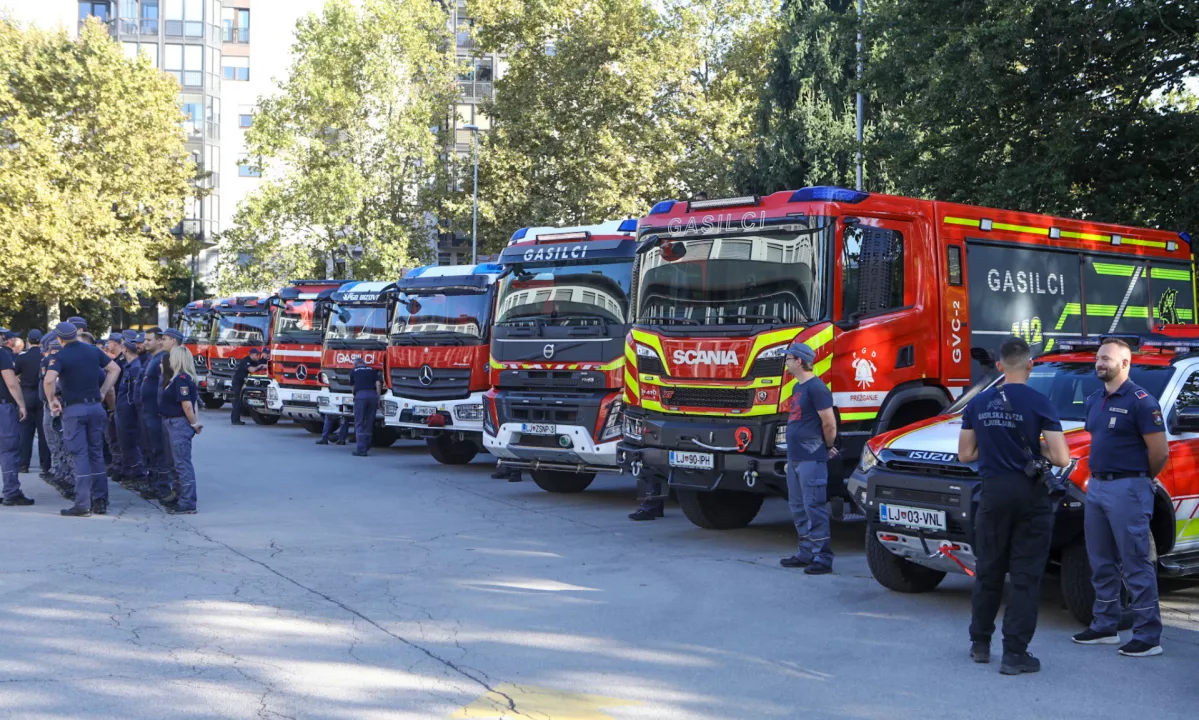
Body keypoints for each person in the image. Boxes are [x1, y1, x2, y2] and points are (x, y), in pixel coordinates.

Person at [958, 337, 1070, 675]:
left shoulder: (977, 404)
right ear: (1031, 365)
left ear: (1000, 366)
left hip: (992, 494)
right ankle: (1015, 653)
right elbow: (1062, 456)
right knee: (1025, 574)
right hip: (1030, 494)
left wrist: (994, 452)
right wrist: (1037, 453)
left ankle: (980, 644)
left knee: (989, 569)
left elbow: (965, 454)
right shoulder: (1039, 402)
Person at [1072, 338, 1169, 658]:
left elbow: (1159, 453)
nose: (1100, 363)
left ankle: (1147, 634)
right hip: (1096, 487)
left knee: (1136, 563)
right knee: (1100, 561)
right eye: (1099, 358)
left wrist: (1137, 480)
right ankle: (1104, 626)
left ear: (1124, 364)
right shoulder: (1094, 399)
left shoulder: (1142, 402)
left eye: (1107, 359)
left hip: (1128, 488)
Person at [43, 322, 120, 517]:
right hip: (95, 407)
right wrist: (102, 391)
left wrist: (52, 400)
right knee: (96, 454)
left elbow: (49, 379)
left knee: (80, 455)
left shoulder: (60, 356)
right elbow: (115, 369)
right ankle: (100, 500)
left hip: (75, 410)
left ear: (60, 339)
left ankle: (82, 504)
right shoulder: (93, 351)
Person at [777, 342, 838, 575]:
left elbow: (829, 423)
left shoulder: (817, 388)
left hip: (811, 458)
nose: (786, 362)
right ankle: (805, 552)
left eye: (789, 358)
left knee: (813, 506)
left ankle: (823, 557)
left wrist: (828, 446)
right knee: (798, 506)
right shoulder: (797, 388)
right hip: (795, 458)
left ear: (799, 361)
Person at [159, 346, 202, 514]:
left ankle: (188, 502)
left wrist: (193, 424)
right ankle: (180, 495)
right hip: (172, 423)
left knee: (182, 464)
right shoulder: (177, 379)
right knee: (176, 463)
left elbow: (187, 405)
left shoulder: (182, 379)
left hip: (179, 424)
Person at [143, 329, 182, 502]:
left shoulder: (167, 360)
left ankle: (165, 488)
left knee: (163, 452)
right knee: (154, 450)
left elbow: (166, 386)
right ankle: (158, 484)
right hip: (150, 411)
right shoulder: (156, 358)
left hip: (158, 413)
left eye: (149, 339)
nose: (145, 343)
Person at [0, 328, 31, 506]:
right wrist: (21, 404)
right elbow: (11, 382)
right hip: (3, 406)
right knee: (9, 450)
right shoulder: (2, 355)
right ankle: (11, 492)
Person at [15, 329, 50, 476]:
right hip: (42, 395)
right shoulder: (44, 357)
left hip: (27, 394)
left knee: (25, 432)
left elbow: (15, 374)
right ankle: (45, 465)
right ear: (41, 341)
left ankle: (23, 464)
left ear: (28, 341)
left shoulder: (22, 358)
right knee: (43, 433)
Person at [116, 338, 148, 490]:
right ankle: (131, 472)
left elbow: (135, 395)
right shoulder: (129, 366)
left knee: (131, 444)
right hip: (123, 411)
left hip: (129, 412)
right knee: (125, 443)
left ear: (125, 349)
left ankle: (139, 475)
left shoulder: (135, 367)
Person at [349, 357, 381, 456]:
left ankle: (361, 449)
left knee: (359, 422)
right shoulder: (372, 370)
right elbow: (378, 384)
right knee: (370, 422)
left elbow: (353, 386)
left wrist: (354, 396)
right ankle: (367, 445)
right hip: (373, 396)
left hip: (361, 396)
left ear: (356, 364)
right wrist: (378, 398)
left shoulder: (354, 371)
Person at [229, 342, 267, 425]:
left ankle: (235, 419)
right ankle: (235, 420)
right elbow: (252, 370)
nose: (258, 356)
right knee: (238, 401)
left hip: (243, 383)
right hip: (237, 382)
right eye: (257, 355)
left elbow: (259, 366)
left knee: (240, 401)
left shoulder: (254, 362)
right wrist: (260, 366)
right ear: (252, 354)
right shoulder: (246, 360)